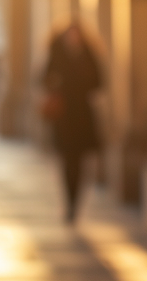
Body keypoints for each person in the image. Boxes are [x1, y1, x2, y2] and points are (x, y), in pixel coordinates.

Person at [41, 22, 102, 222]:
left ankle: (75, 203)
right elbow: (42, 78)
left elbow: (100, 81)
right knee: (67, 162)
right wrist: (56, 82)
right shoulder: (56, 54)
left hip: (82, 116)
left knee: (81, 163)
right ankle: (69, 204)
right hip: (64, 116)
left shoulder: (88, 54)